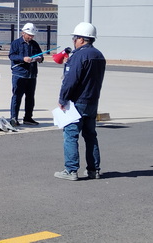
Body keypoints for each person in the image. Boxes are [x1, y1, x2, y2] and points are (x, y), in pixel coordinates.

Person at [55, 22, 106, 181]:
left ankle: (71, 170)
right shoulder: (99, 55)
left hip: (77, 101)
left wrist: (62, 99)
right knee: (90, 136)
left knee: (71, 135)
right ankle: (94, 169)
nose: (73, 41)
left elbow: (71, 80)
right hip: (92, 101)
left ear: (82, 39)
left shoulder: (78, 56)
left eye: (75, 38)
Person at [9, 22, 43, 126]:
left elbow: (41, 55)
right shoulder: (16, 43)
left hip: (32, 75)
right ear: (23, 33)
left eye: (32, 35)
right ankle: (14, 118)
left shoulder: (34, 44)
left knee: (30, 97)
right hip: (19, 74)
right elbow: (11, 56)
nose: (31, 37)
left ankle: (28, 117)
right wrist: (23, 58)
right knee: (17, 97)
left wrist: (39, 59)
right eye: (29, 35)